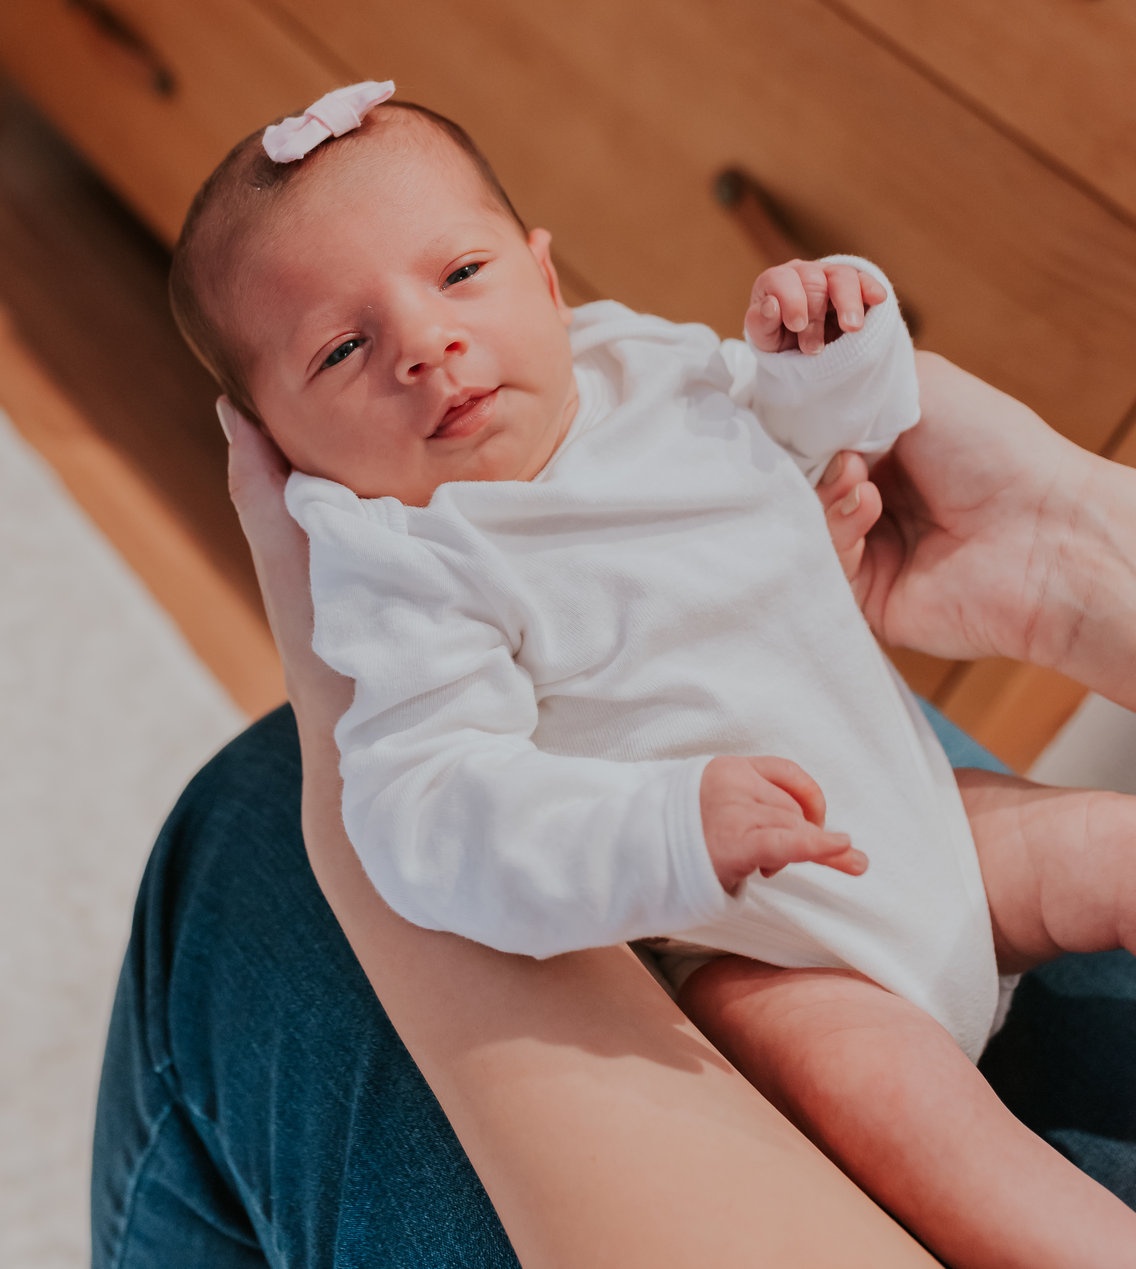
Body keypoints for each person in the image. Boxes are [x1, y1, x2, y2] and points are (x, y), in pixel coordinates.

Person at [152, 81, 1136, 1267]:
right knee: (936, 1132)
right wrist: (666, 829)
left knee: (1115, 846)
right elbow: (425, 812)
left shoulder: (643, 368)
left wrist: (826, 352)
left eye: (460, 275)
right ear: (277, 444)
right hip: (762, 947)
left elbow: (818, 439)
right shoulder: (407, 563)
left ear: (547, 278)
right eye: (344, 348)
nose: (424, 343)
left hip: (929, 823)